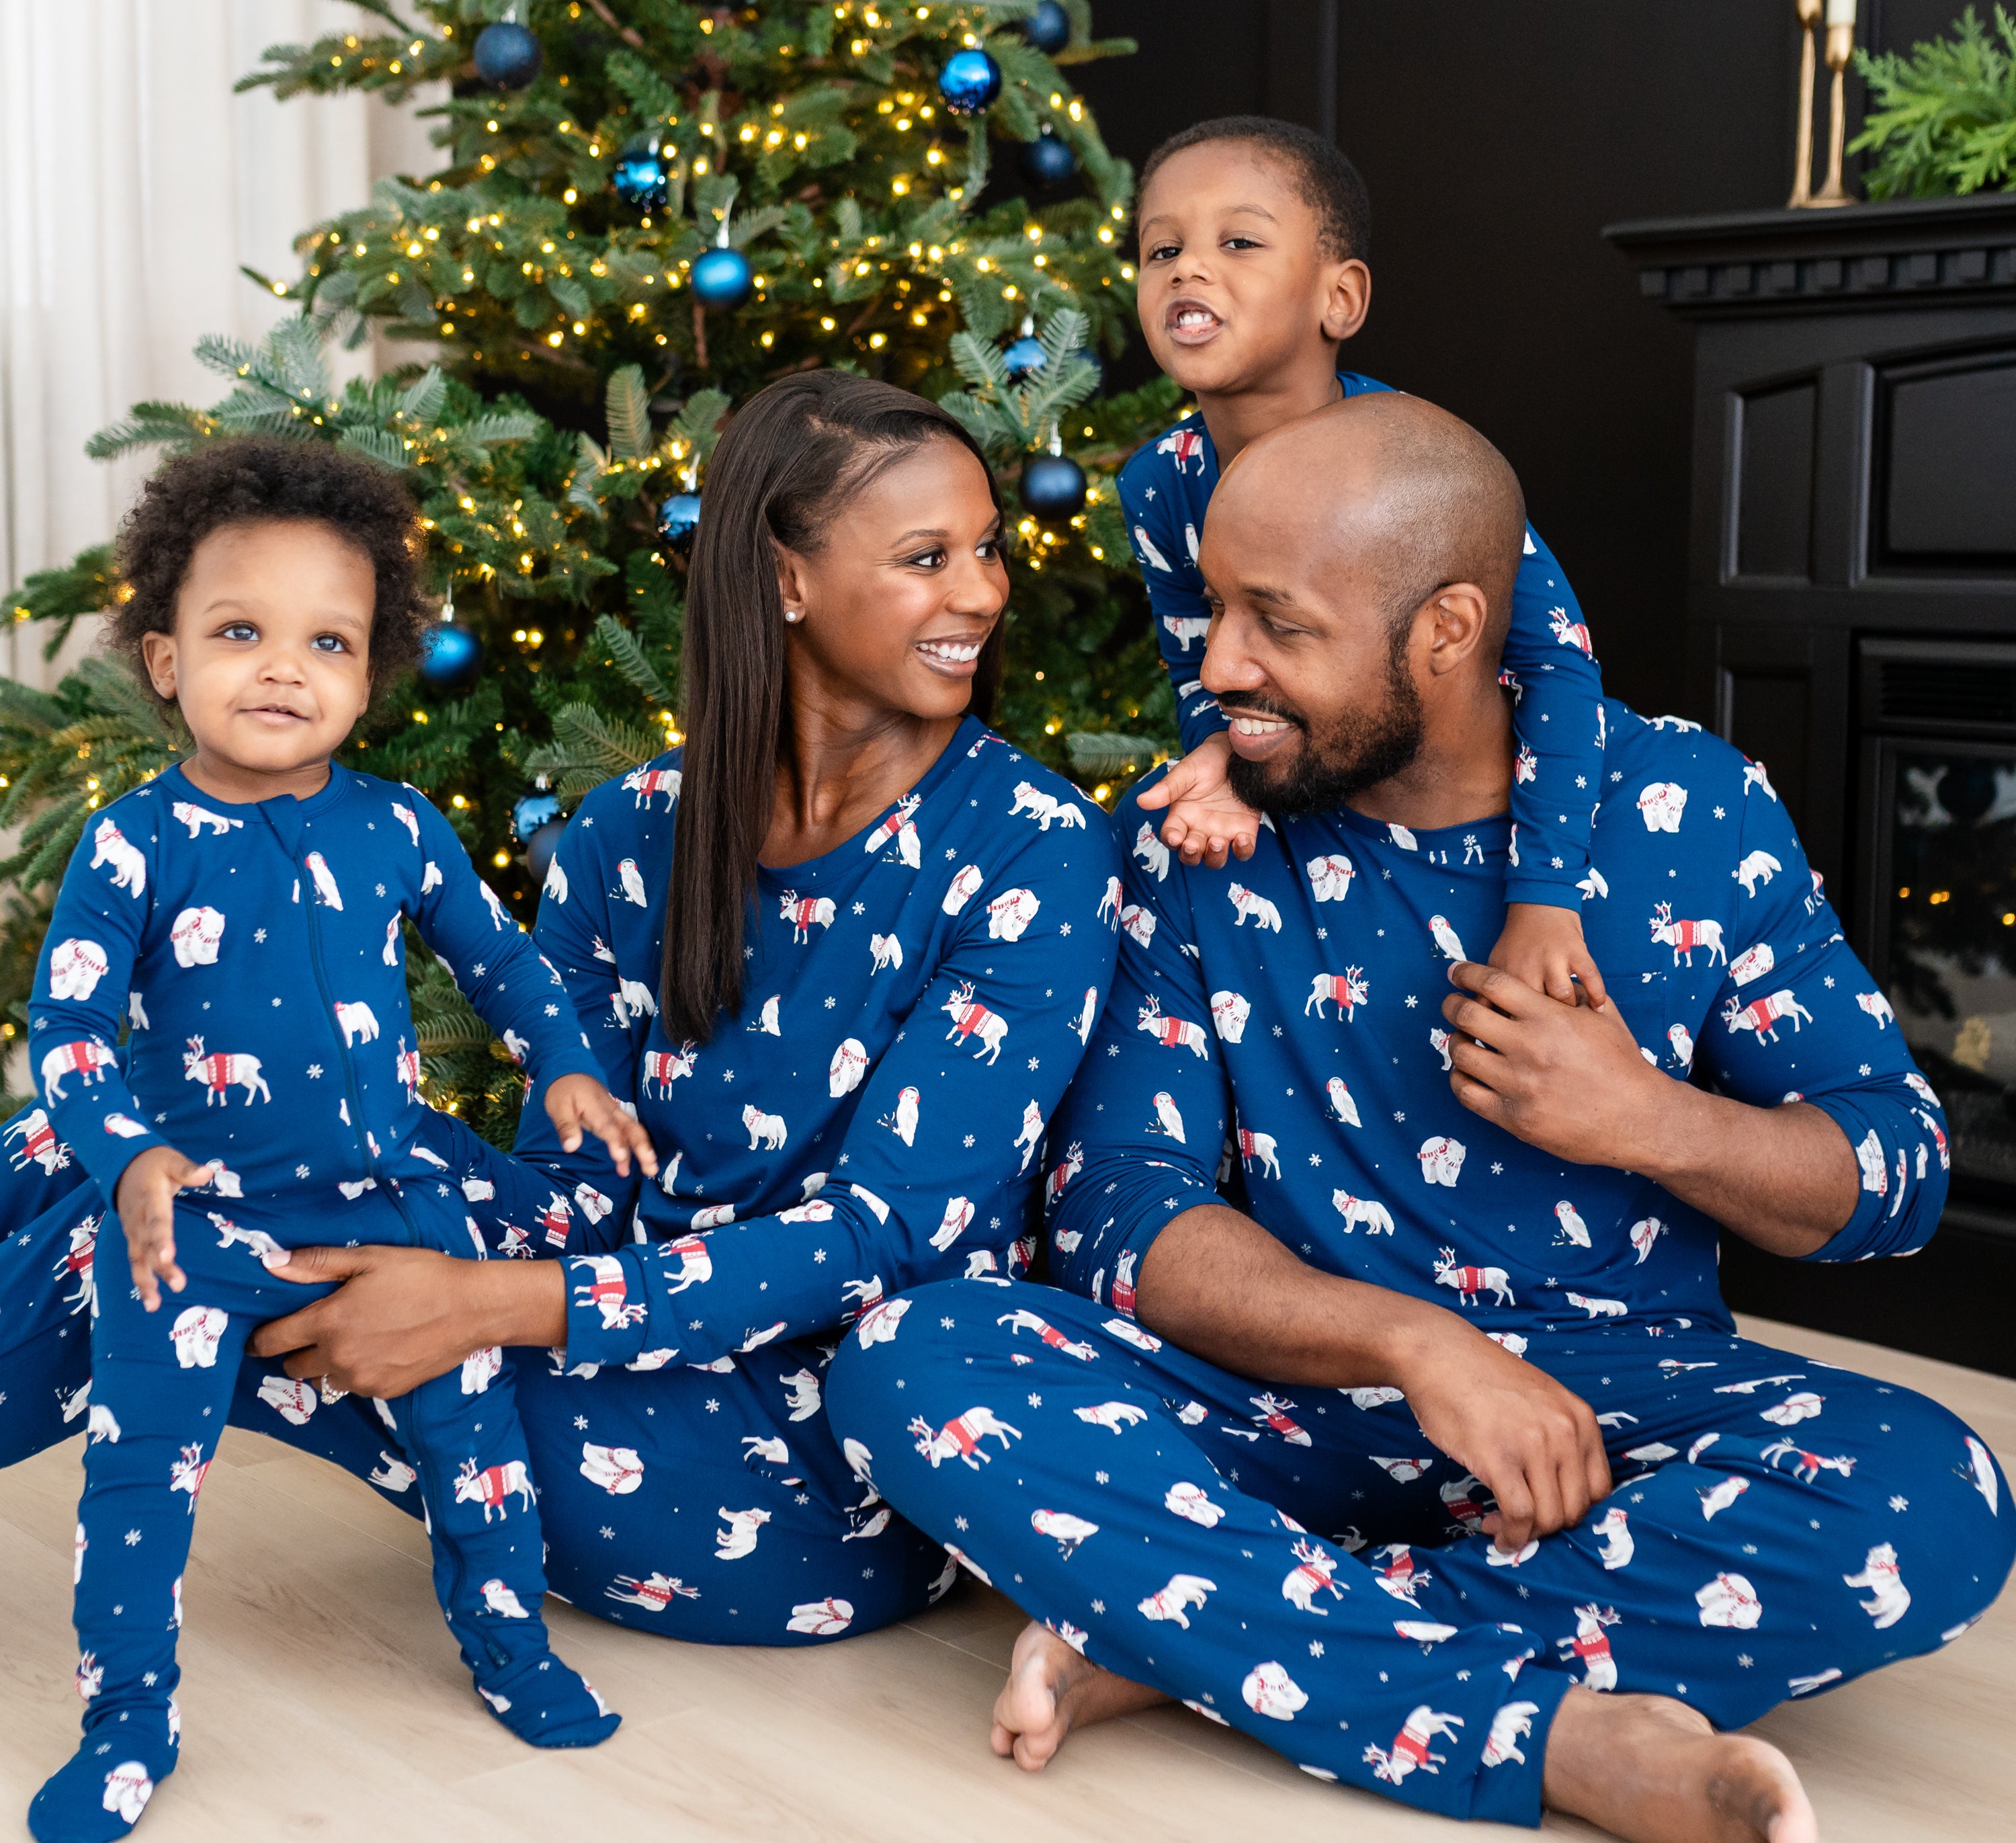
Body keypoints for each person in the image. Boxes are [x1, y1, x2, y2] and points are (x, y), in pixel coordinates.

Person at [826, 393, 2015, 1843]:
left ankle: (1213, 1635)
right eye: (1213, 607)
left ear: (1449, 630)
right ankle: (1545, 1736)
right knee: (915, 1355)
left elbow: (1891, 1173)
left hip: (1606, 1420)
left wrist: (1648, 1119)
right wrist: (1413, 1342)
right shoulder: (1200, 842)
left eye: (1278, 622)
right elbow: (1117, 1215)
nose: (1218, 667)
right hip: (1287, 1395)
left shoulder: (1684, 811)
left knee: (1934, 1494)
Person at [72, 372, 1108, 1654]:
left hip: (812, 1481)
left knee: (155, 1242)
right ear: (785, 580)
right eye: (927, 557)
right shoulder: (632, 830)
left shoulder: (1034, 848)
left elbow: (879, 1239)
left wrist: (474, 1306)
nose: (984, 592)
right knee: (122, 1173)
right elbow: (575, 1188)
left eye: (988, 548)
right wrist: (449, 1264)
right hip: (599, 1319)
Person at [26, 442, 657, 1842]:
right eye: (239, 632)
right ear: (166, 660)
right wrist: (125, 1152)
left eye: (328, 641)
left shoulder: (401, 828)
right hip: (191, 1222)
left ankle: (510, 1650)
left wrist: (559, 1067)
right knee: (137, 1482)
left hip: (399, 1210)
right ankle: (126, 1725)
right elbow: (65, 1028)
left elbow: (504, 967)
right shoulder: (135, 843)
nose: (282, 668)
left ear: (370, 678)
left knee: (474, 1449)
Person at [1118, 115, 1608, 1011]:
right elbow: (1198, 666)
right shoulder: (1158, 484)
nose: (1187, 268)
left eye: (1238, 241)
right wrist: (1223, 765)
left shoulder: (1415, 478)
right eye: (1161, 250)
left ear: (1339, 299)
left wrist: (1543, 895)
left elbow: (1559, 670)